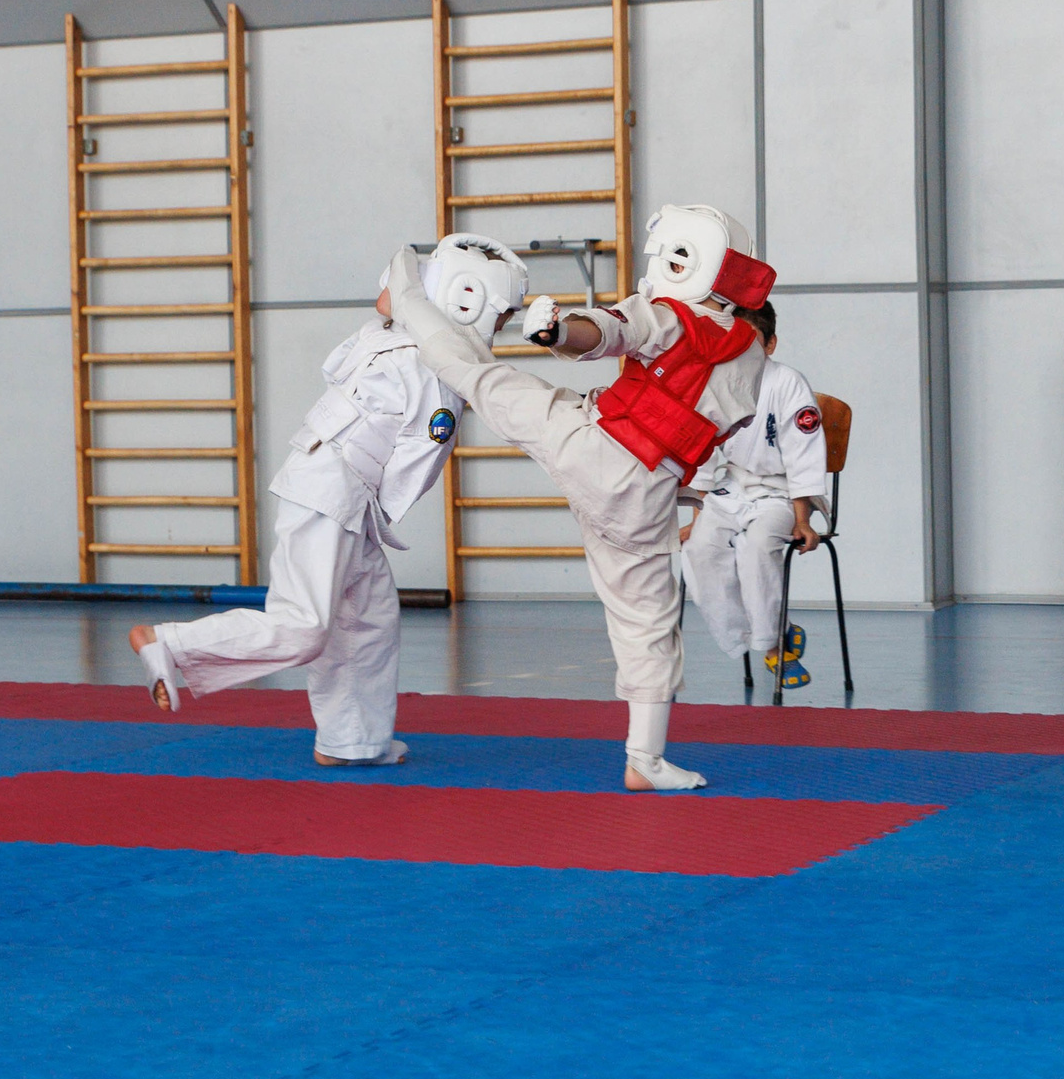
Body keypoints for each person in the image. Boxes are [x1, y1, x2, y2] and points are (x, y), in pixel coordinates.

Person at [386, 205, 775, 791]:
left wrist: (557, 330)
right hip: (647, 493)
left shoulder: (669, 316)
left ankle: (405, 291)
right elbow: (713, 431)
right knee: (648, 621)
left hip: (594, 444)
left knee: (481, 377)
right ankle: (645, 759)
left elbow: (612, 332)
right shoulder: (751, 355)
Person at [129, 238, 525, 764]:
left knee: (367, 618)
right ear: (467, 301)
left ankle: (352, 741)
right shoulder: (433, 372)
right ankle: (168, 643)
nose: (500, 330)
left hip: (332, 489)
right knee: (304, 627)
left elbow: (378, 312)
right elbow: (417, 463)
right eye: (501, 318)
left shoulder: (384, 337)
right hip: (333, 493)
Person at [679, 302, 827, 689]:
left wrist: (803, 519)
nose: (742, 350)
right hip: (730, 489)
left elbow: (804, 455)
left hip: (780, 493)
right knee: (699, 551)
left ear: (771, 343)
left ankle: (774, 645)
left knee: (757, 546)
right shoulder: (715, 381)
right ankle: (762, 631)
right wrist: (697, 517)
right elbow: (706, 451)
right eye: (733, 341)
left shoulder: (788, 383)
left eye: (752, 342)